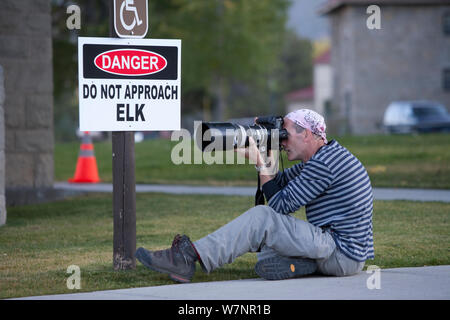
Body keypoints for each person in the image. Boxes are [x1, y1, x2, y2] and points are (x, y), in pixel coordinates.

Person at [135, 109, 374, 283]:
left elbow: (279, 205)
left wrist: (260, 163)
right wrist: (263, 148)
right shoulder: (324, 157)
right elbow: (277, 182)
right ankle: (300, 265)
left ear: (308, 135)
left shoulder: (324, 165)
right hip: (343, 252)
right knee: (266, 257)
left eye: (285, 135)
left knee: (262, 218)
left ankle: (188, 257)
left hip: (340, 253)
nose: (282, 142)